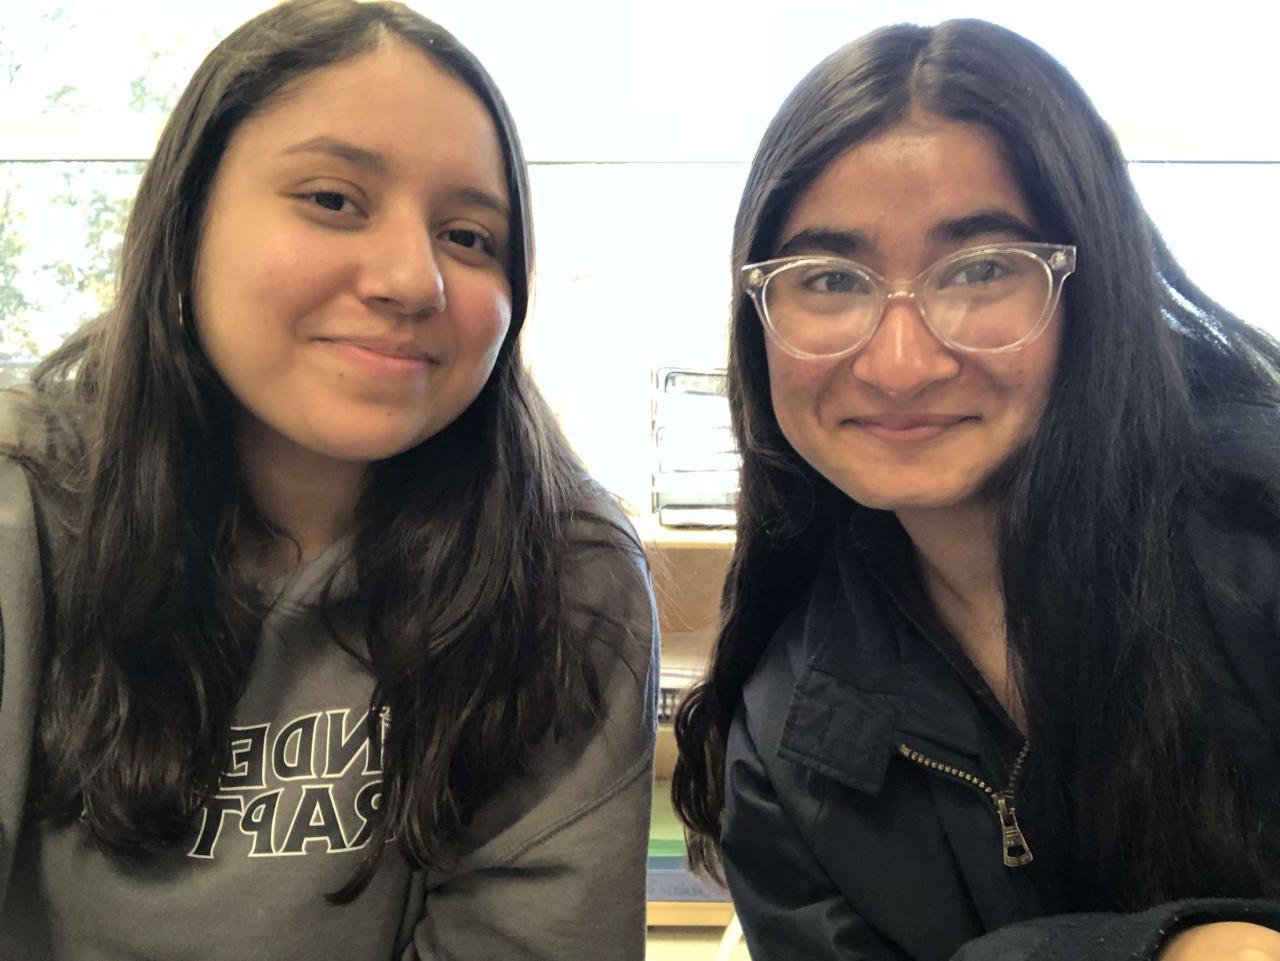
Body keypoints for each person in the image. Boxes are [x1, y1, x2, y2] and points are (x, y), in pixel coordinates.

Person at [0, 2, 657, 958]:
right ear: (185, 226)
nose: (413, 279)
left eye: (469, 236)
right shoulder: (22, 505)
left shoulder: (564, 578)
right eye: (333, 200)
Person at [672, 18, 1280, 961]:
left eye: (983, 269)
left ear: (1091, 283)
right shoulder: (784, 733)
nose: (901, 363)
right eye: (829, 279)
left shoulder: (1256, 542)